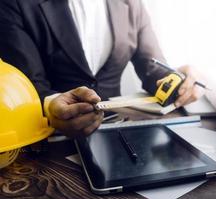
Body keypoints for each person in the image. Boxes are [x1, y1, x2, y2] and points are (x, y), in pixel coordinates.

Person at [0, 0, 202, 137]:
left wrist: (178, 78)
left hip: (121, 131)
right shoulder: (14, 4)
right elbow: (28, 86)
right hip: (50, 140)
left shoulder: (131, 3)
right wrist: (51, 107)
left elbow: (153, 69)